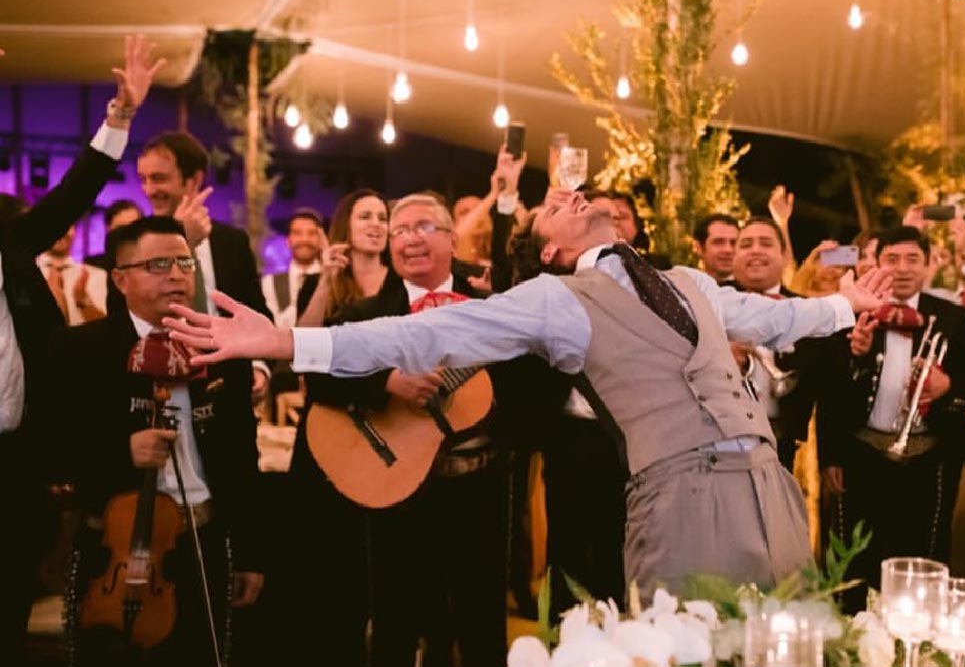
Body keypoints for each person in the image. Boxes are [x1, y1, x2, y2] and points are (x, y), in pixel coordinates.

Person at [165, 187, 892, 595]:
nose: (568, 194)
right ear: (551, 249)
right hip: (679, 495)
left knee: (784, 657)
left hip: (769, 488)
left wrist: (846, 305)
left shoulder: (689, 281)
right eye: (553, 206)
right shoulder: (556, 299)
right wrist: (285, 342)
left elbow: (773, 315)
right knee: (687, 664)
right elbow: (419, 338)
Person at [276, 193, 513, 667]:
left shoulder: (493, 298)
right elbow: (318, 382)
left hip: (480, 483)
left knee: (483, 628)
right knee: (394, 629)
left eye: (425, 226)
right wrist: (385, 383)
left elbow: (531, 375)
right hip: (399, 489)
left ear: (452, 238)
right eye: (400, 230)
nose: (410, 238)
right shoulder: (363, 311)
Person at [0, 35, 160, 667]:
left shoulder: (14, 251)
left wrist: (118, 118)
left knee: (11, 605)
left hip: (16, 465)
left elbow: (69, 198)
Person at [58, 217, 263, 667]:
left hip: (202, 537)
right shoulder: (80, 350)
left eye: (183, 262)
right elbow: (53, 450)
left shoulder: (221, 348)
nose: (175, 274)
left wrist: (251, 551)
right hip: (114, 547)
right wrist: (120, 452)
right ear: (120, 278)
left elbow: (241, 457)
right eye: (157, 264)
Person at [820, 226, 965, 592]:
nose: (903, 268)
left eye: (913, 259)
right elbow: (830, 388)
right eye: (892, 259)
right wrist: (854, 356)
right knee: (856, 557)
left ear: (928, 267)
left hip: (929, 456)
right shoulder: (851, 311)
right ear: (877, 265)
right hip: (862, 450)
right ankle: (857, 637)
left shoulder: (954, 318)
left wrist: (948, 386)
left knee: (923, 556)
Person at [134, 130, 272, 399]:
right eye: (143, 180)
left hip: (229, 389)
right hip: (162, 389)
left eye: (159, 179)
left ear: (194, 180)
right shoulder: (133, 242)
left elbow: (256, 311)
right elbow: (131, 321)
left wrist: (259, 366)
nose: (149, 190)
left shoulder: (231, 241)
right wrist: (182, 240)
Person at [726, 218, 828, 473]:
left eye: (766, 243)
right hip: (718, 441)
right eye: (746, 244)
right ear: (734, 257)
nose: (756, 250)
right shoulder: (707, 303)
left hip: (782, 443)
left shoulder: (808, 311)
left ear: (784, 257)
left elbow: (829, 387)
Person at [295, 190, 389, 328]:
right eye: (365, 217)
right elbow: (303, 340)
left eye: (383, 219)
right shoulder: (314, 283)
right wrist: (326, 282)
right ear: (346, 225)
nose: (376, 224)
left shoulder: (401, 281)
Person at [261, 209, 323, 331]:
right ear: (288, 241)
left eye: (312, 233)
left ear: (321, 240)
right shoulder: (269, 282)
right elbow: (271, 327)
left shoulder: (332, 280)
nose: (305, 239)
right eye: (297, 233)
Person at [39, 222, 108, 325]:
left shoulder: (97, 275)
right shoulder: (26, 274)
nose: (60, 231)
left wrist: (84, 301)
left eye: (66, 225)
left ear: (74, 230)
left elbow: (105, 329)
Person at [85, 199, 143, 268]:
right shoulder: (93, 267)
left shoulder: (149, 263)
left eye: (134, 226)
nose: (128, 232)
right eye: (121, 228)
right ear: (108, 229)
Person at [691, 213, 739, 283]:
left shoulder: (753, 290)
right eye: (718, 242)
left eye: (734, 243)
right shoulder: (687, 288)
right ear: (699, 248)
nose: (728, 250)